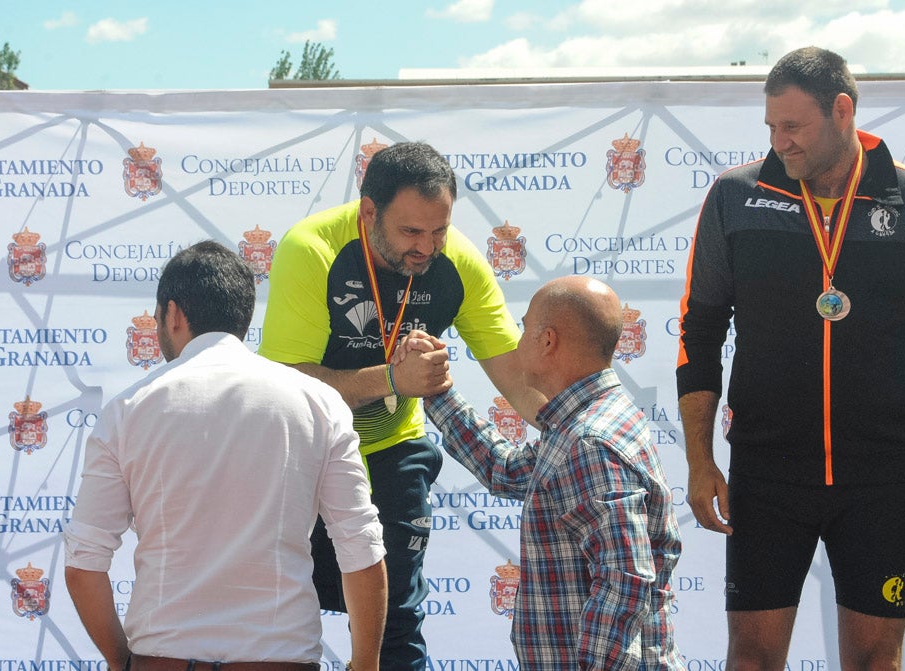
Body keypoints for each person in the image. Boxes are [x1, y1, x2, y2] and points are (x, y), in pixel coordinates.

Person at [677, 46, 905, 670]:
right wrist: (700, 459)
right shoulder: (735, 199)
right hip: (767, 474)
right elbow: (699, 333)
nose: (780, 141)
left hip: (878, 475)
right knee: (753, 658)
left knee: (875, 660)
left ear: (842, 111)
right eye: (771, 127)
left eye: (794, 126)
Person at [258, 141, 544, 670]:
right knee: (279, 619)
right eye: (411, 232)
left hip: (393, 450)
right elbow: (284, 384)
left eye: (439, 230)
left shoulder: (456, 262)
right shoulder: (312, 248)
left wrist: (581, 429)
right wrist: (393, 378)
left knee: (397, 623)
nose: (427, 248)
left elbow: (521, 381)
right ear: (369, 212)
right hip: (305, 452)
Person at [63, 241, 388, 671]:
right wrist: (364, 666)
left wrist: (124, 663)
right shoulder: (320, 404)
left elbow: (83, 562)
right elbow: (361, 547)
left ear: (173, 314)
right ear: (244, 316)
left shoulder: (127, 411)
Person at [411, 275, 685, 670]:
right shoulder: (587, 423)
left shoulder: (589, 440)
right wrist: (436, 389)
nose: (517, 342)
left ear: (547, 341)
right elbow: (505, 469)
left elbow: (625, 576)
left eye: (523, 329)